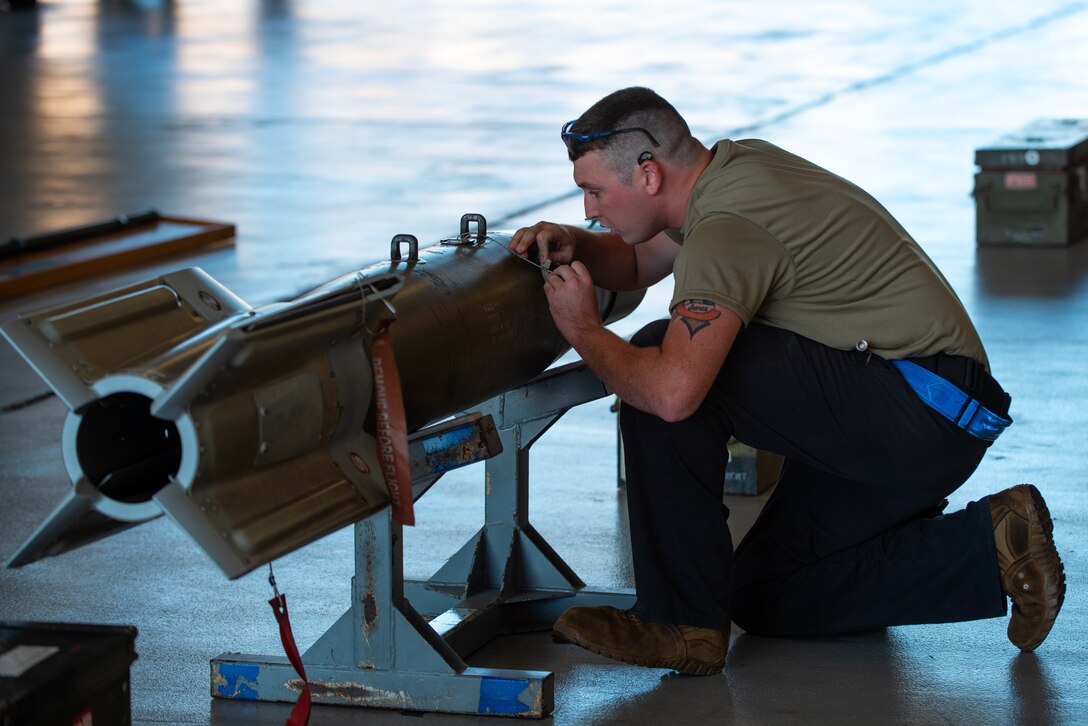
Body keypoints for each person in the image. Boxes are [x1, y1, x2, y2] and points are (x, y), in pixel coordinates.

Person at [508, 87, 1065, 676]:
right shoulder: (729, 171)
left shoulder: (726, 227)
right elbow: (642, 261)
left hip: (919, 410)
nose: (590, 210)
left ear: (648, 175)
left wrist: (584, 330)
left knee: (660, 363)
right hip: (925, 417)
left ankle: (678, 621)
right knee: (765, 593)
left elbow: (672, 396)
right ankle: (992, 546)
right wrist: (582, 248)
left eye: (594, 193)